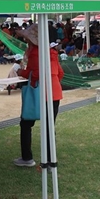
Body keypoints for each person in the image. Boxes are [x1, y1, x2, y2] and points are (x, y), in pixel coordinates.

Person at [13, 24, 64, 167]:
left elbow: (35, 74)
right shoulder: (52, 52)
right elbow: (60, 73)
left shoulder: (35, 53)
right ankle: (50, 159)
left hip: (41, 94)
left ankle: (27, 158)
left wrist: (21, 73)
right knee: (49, 127)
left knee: (26, 123)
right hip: (54, 93)